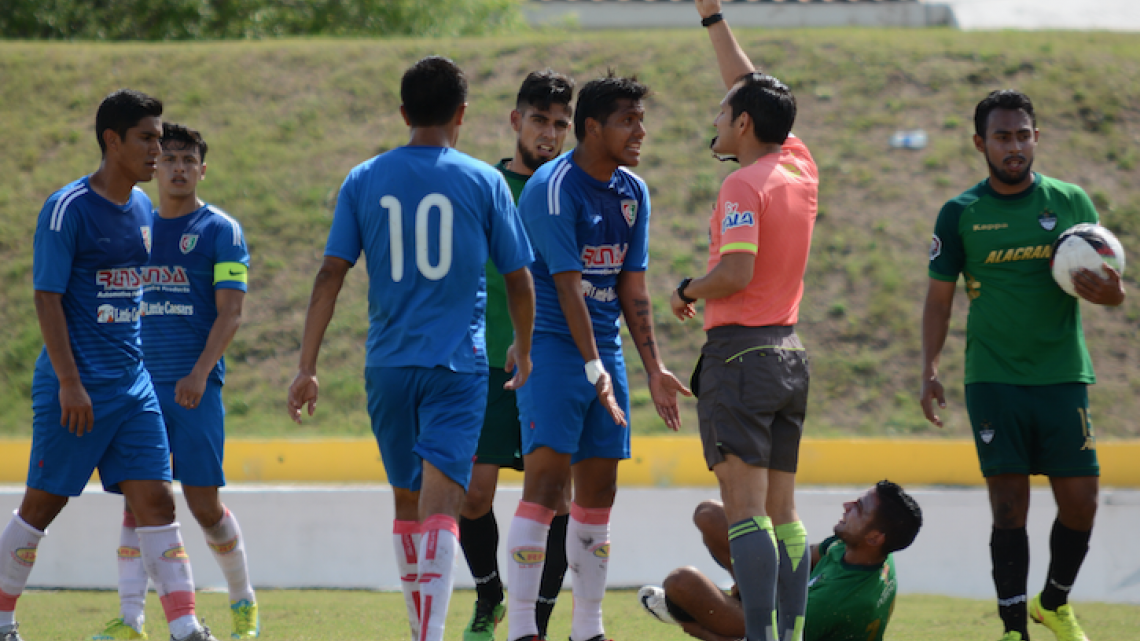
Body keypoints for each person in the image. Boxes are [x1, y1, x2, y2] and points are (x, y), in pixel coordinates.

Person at [286, 55, 536, 641]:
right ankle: (429, 635)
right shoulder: (484, 180)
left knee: (407, 506)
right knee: (442, 508)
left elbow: (330, 275)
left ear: (403, 113)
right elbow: (519, 278)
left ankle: (420, 628)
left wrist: (306, 366)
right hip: (456, 367)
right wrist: (524, 347)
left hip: (388, 367)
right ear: (462, 115)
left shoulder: (363, 178)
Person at [0, 89, 220, 641]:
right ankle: (2, 618)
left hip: (133, 387)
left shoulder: (143, 209)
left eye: (159, 137)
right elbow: (46, 297)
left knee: (155, 499)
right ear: (112, 141)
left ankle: (186, 627)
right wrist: (71, 384)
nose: (157, 149)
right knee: (41, 508)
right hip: (78, 390)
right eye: (147, 138)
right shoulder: (67, 208)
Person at [920, 89, 1125, 641]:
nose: (1014, 146)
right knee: (1008, 506)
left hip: (1062, 377)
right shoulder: (960, 214)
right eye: (1003, 136)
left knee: (1081, 503)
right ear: (980, 143)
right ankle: (1014, 629)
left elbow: (1111, 286)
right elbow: (939, 301)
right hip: (993, 378)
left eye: (1023, 135)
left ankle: (1053, 602)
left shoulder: (1072, 203)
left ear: (1037, 137)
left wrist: (1111, 295)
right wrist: (929, 368)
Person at [504, 71, 692, 641]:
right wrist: (592, 368)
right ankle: (520, 629)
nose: (640, 131)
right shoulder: (553, 187)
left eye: (641, 119)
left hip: (601, 351)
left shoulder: (633, 192)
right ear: (592, 128)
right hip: (553, 348)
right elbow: (567, 287)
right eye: (626, 121)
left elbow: (631, 287)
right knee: (544, 485)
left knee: (600, 492)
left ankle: (588, 629)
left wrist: (653, 368)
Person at [669, 2, 819, 640]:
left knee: (746, 515)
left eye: (724, 111)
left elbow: (734, 274)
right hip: (789, 357)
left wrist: (686, 288)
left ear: (746, 123)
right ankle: (788, 635)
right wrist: (713, 19)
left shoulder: (742, 186)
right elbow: (750, 85)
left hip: (738, 358)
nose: (717, 115)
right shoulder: (799, 167)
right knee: (785, 516)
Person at [92, 123, 258, 641]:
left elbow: (230, 313)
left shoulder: (220, 230)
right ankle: (129, 619)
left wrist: (200, 373)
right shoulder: (133, 224)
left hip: (193, 388)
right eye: (170, 160)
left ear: (202, 169)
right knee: (137, 501)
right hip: (136, 387)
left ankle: (242, 602)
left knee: (204, 505)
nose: (179, 168)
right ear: (155, 167)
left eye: (189, 160)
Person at [459, 70, 575, 641]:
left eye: (560, 124)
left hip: (553, 365)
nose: (549, 135)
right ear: (515, 121)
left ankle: (540, 622)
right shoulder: (484, 186)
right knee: (473, 494)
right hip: (486, 365)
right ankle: (490, 597)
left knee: (556, 501)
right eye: (539, 121)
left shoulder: (573, 188)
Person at [639, 481, 923, 641]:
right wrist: (752, 577)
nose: (847, 506)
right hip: (785, 608)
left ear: (875, 536)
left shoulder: (842, 600)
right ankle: (737, 598)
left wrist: (691, 626)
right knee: (710, 514)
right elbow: (794, 560)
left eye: (859, 508)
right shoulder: (861, 549)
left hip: (778, 632)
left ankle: (694, 611)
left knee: (681, 583)